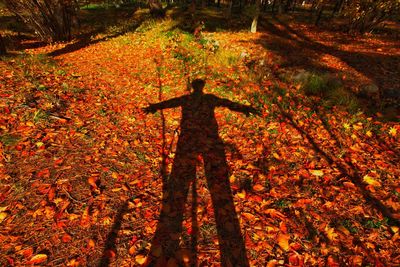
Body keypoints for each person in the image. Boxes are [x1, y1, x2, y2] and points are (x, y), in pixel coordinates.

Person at [143, 79, 259, 266]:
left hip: (192, 139)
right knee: (195, 170)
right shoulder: (207, 98)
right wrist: (244, 108)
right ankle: (194, 183)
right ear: (201, 87)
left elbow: (226, 104)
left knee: (187, 170)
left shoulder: (189, 99)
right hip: (204, 139)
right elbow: (227, 104)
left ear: (195, 88)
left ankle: (185, 186)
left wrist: (155, 107)